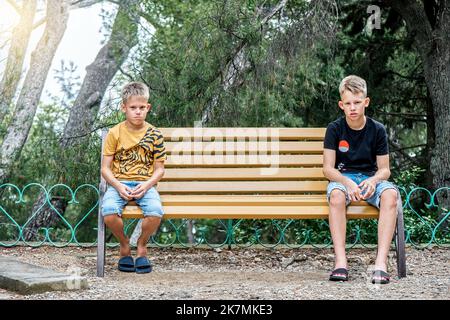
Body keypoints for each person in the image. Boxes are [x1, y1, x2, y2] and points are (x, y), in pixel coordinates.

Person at [323, 75, 399, 284]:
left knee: (391, 195)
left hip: (369, 179)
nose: (353, 108)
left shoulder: (377, 130)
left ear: (366, 102)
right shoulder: (335, 129)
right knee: (336, 195)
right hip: (343, 178)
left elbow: (384, 170)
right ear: (341, 105)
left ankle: (380, 264)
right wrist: (347, 182)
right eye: (348, 103)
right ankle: (340, 262)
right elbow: (328, 169)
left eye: (357, 102)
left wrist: (373, 181)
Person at [101, 82, 166, 274]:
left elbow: (159, 170)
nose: (137, 112)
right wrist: (118, 186)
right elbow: (105, 168)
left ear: (148, 107)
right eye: (133, 108)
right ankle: (124, 245)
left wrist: (147, 185)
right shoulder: (115, 133)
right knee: (109, 212)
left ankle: (142, 244)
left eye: (141, 108)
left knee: (155, 212)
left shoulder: (155, 134)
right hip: (118, 184)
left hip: (145, 185)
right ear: (124, 108)